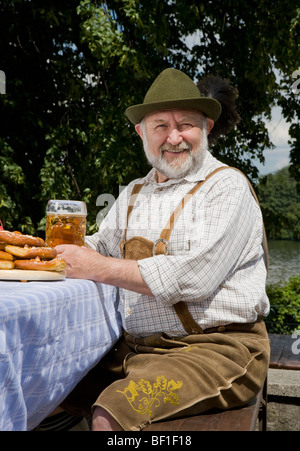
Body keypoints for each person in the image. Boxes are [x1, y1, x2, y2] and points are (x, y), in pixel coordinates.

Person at [56, 68, 270, 431]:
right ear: (141, 132)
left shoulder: (227, 187)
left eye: (185, 124)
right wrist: (45, 252)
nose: (174, 137)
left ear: (206, 127)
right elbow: (96, 246)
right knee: (46, 387)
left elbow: (193, 277)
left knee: (111, 415)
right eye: (160, 126)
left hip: (219, 351)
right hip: (136, 349)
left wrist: (94, 265)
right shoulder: (134, 192)